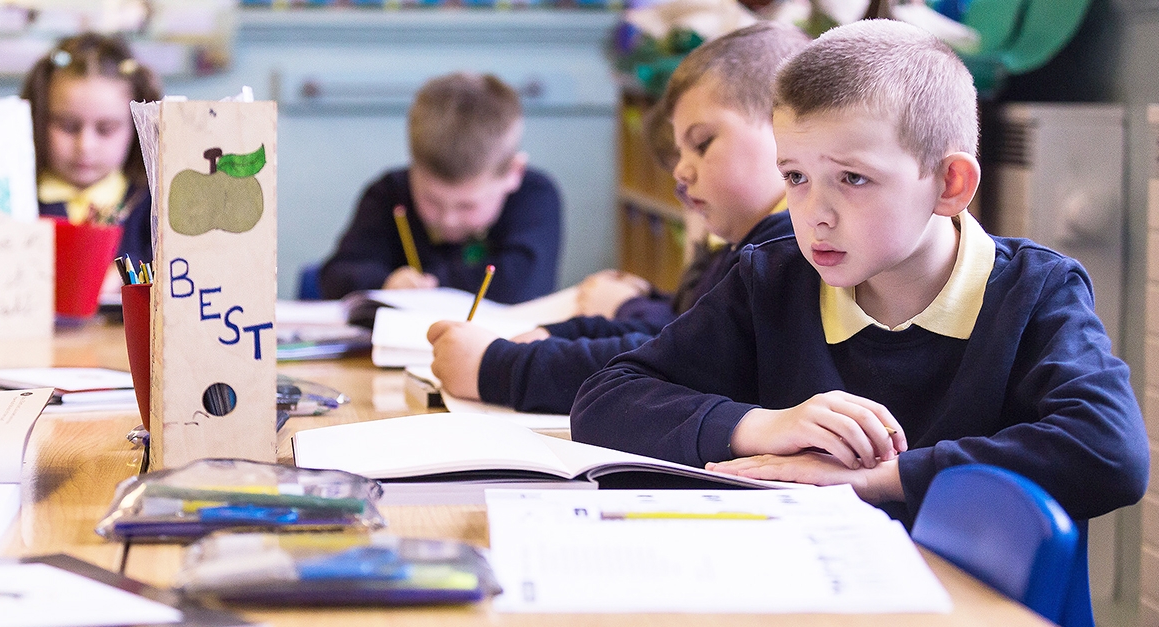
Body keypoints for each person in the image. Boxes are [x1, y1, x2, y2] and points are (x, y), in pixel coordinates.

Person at [570, 19, 1149, 526]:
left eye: (852, 179)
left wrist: (881, 479)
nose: (815, 215)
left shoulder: (1035, 294)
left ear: (949, 185)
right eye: (795, 177)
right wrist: (763, 426)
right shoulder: (773, 279)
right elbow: (606, 400)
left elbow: (1109, 452)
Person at [426, 23, 808, 414]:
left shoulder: (785, 251)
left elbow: (670, 361)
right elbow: (671, 332)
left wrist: (499, 369)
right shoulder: (752, 245)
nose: (680, 171)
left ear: (785, 130)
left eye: (702, 143)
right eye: (680, 152)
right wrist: (551, 338)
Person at [319, 72, 562, 305]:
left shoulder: (536, 195)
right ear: (412, 168)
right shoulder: (388, 194)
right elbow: (336, 275)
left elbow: (523, 284)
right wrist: (386, 283)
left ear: (514, 173)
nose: (448, 219)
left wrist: (433, 286)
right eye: (432, 200)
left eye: (467, 205)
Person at [22, 33, 161, 264]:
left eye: (106, 129)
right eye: (67, 126)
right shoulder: (17, 202)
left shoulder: (154, 206)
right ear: (37, 118)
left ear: (137, 127)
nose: (85, 146)